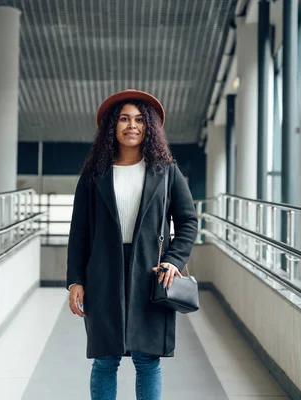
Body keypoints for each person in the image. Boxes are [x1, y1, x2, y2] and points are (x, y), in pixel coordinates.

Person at [66, 89, 198, 400]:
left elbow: (188, 220)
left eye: (139, 120)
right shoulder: (93, 175)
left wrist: (174, 261)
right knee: (105, 358)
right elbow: (79, 232)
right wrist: (75, 280)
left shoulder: (166, 172)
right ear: (113, 125)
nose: (132, 125)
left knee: (147, 359)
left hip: (151, 272)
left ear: (149, 127)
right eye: (124, 118)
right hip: (103, 273)